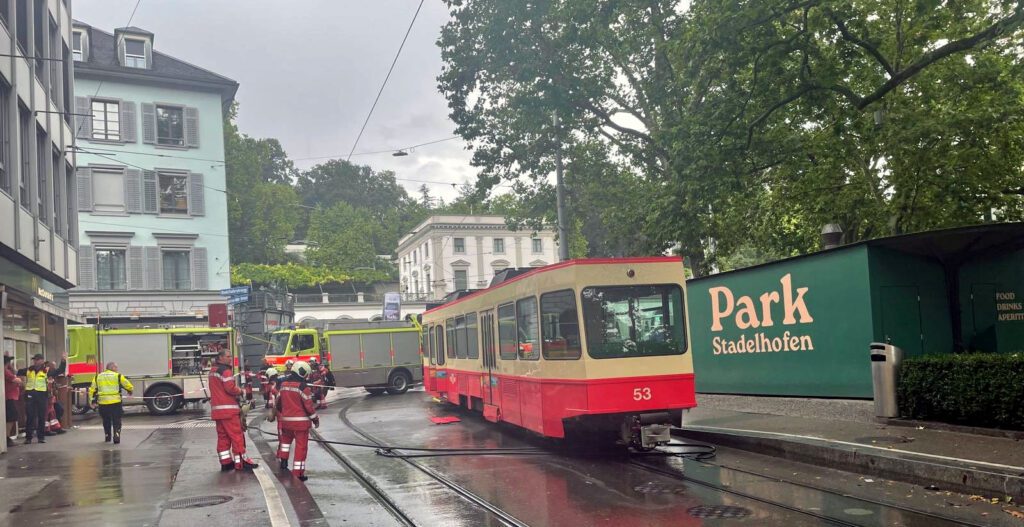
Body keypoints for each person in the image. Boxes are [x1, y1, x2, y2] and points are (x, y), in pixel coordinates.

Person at [209, 349, 258, 471]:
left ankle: (226, 462)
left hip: (217, 411)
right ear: (220, 357)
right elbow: (230, 388)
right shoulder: (225, 371)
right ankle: (241, 461)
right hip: (228, 411)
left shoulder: (213, 371)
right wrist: (241, 391)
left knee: (223, 437)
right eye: (227, 356)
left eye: (230, 356)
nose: (230, 358)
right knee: (237, 436)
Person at [276, 360, 318, 481]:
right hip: (301, 423)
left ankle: (283, 461)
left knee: (285, 442)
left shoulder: (283, 385)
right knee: (301, 447)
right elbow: (309, 407)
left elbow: (278, 403)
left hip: (286, 421)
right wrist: (315, 419)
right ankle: (298, 473)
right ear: (303, 373)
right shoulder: (303, 387)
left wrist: (283, 413)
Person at [20, 353, 65, 444]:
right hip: (31, 395)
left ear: (41, 360)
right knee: (30, 416)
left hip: (41, 395)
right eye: (34, 360)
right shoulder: (29, 369)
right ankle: (28, 438)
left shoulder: (46, 370)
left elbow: (60, 370)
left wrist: (63, 361)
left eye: (37, 359)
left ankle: (41, 437)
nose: (35, 361)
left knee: (42, 417)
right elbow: (17, 372)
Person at [88, 362, 134, 443]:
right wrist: (130, 391)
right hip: (115, 402)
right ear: (112, 368)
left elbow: (92, 390)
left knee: (106, 420)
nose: (117, 369)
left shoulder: (98, 377)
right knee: (116, 420)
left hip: (103, 403)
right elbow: (128, 385)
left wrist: (92, 401)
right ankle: (116, 434)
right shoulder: (118, 376)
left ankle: (107, 436)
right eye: (116, 367)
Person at [4, 356, 22, 448]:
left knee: (11, 417)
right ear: (7, 363)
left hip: (11, 397)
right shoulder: (5, 371)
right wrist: (18, 380)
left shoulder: (7, 370)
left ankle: (7, 437)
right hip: (10, 398)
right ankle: (6, 437)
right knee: (11, 418)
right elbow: (17, 380)